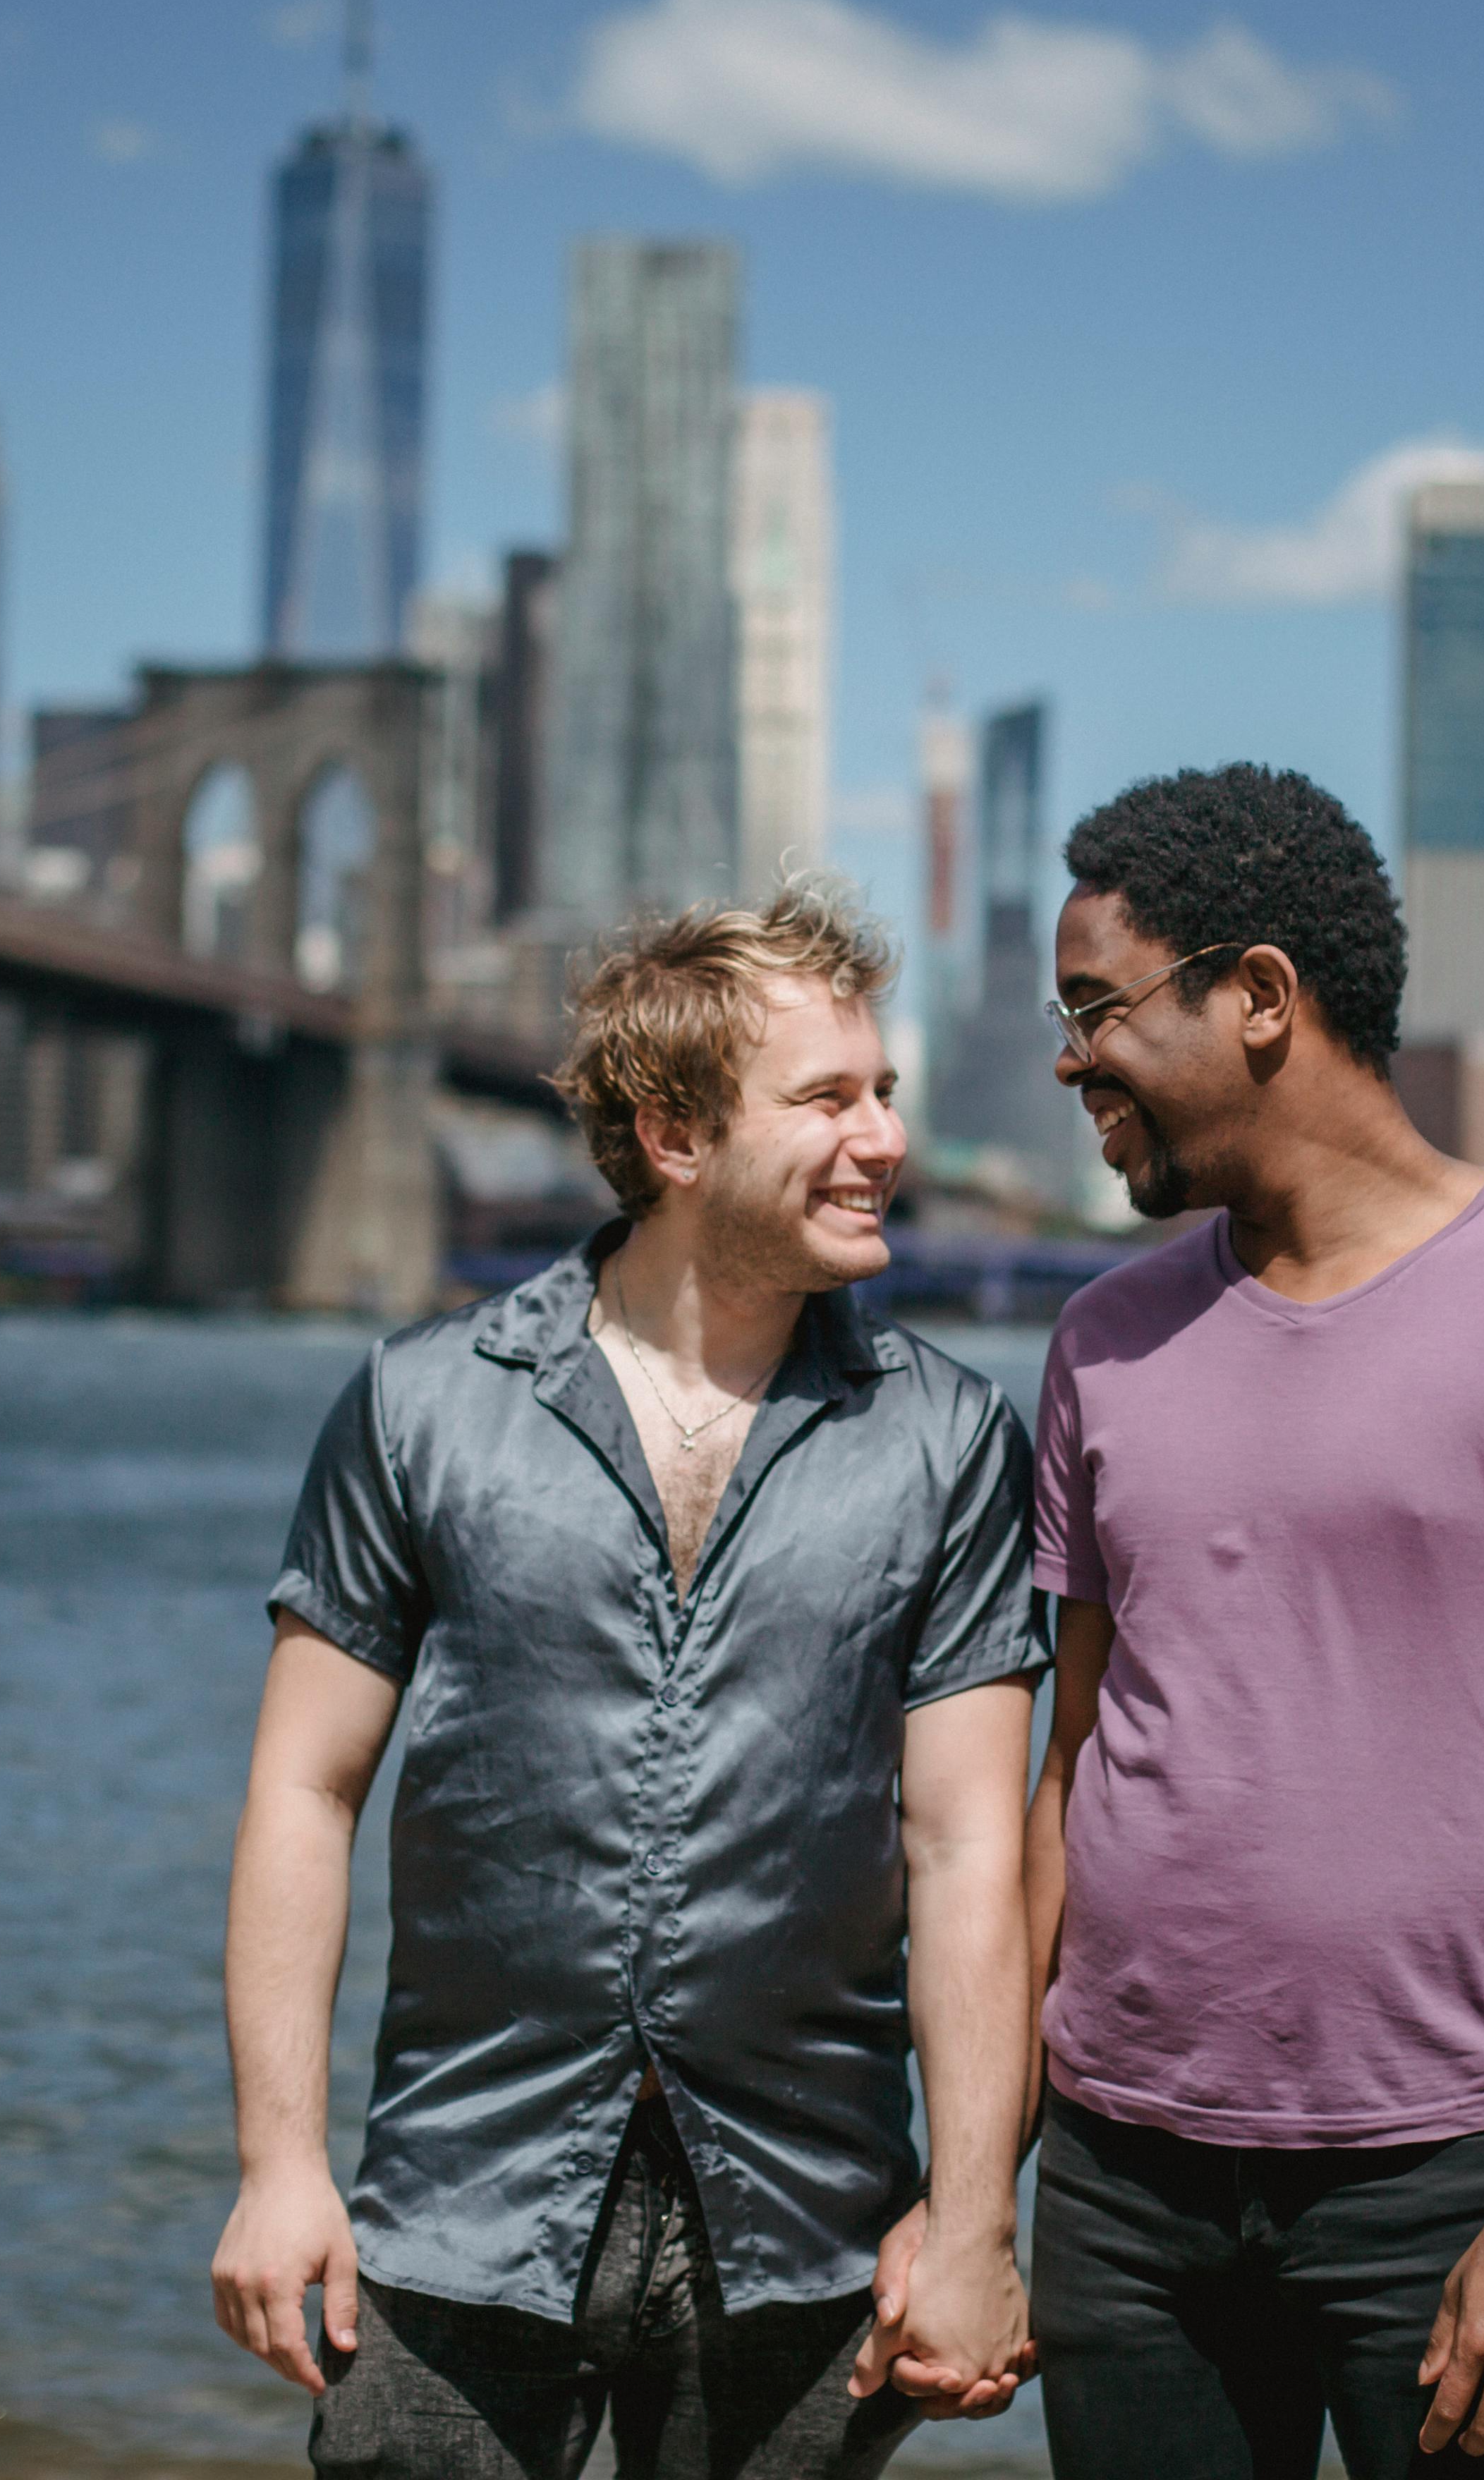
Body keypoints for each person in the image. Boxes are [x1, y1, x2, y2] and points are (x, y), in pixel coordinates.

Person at [209, 880, 1047, 2479]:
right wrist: (277, 2167)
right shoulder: (420, 1406)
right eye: (828, 1100)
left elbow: (965, 1851)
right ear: (675, 1137)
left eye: (886, 1094)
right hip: (456, 2211)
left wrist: (972, 2216)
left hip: (805, 2232)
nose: (884, 1139)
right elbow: (303, 1794)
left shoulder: (950, 1445)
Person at [1019, 766, 1484, 2479]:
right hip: (1125, 2194)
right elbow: (1067, 1777)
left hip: (1457, 2180)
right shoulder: (1099, 1342)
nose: (1069, 1062)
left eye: (1095, 1010)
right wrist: (979, 2189)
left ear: (1259, 996)